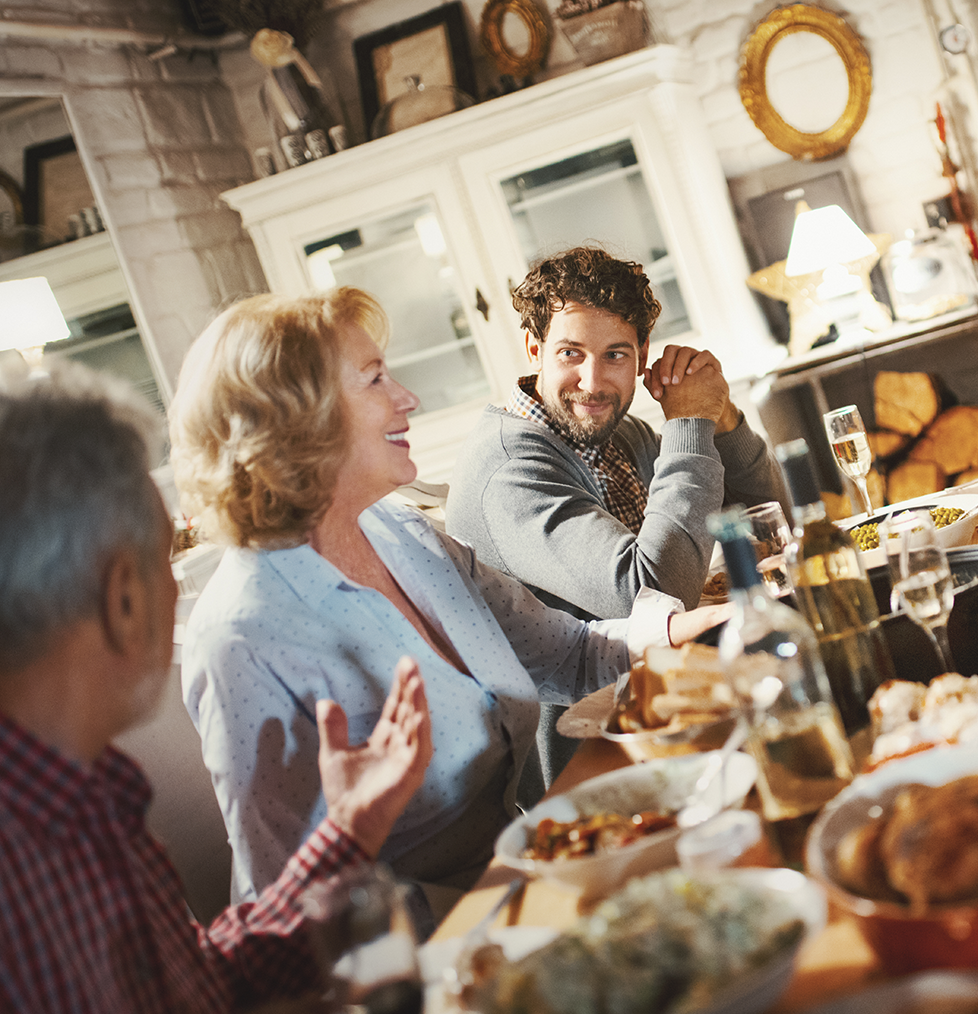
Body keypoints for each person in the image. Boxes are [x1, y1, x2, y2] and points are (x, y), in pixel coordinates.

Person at [171, 288, 722, 927]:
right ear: (295, 419)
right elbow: (294, 913)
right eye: (376, 378)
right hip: (423, 946)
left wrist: (684, 630)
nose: (409, 398)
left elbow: (567, 652)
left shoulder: (405, 536)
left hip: (519, 873)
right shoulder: (243, 636)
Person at [0, 362, 432, 1013]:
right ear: (123, 598)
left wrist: (348, 829)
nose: (176, 584)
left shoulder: (81, 788)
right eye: (164, 556)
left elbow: (198, 979)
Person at [446, 246, 782, 622]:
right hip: (602, 681)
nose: (592, 383)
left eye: (615, 355)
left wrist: (719, 414)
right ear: (533, 349)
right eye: (571, 353)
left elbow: (768, 522)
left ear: (642, 355)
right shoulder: (510, 473)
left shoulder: (621, 435)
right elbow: (655, 599)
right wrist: (688, 422)